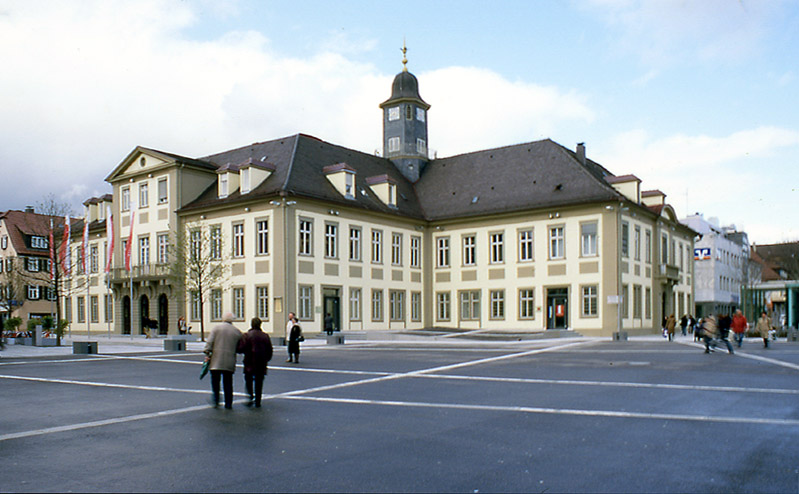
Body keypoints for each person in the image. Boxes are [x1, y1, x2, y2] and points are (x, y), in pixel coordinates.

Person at [203, 312, 242, 409]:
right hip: (229, 361)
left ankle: (216, 399)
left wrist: (207, 352)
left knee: (215, 381)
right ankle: (228, 402)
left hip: (216, 360)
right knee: (228, 383)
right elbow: (240, 347)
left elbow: (210, 342)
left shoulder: (216, 328)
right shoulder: (236, 331)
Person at [237, 317, 273, 408]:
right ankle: (258, 400)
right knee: (259, 381)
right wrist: (266, 359)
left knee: (248, 380)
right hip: (261, 362)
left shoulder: (247, 335)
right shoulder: (265, 336)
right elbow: (269, 350)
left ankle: (250, 396)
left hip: (249, 361)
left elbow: (241, 348)